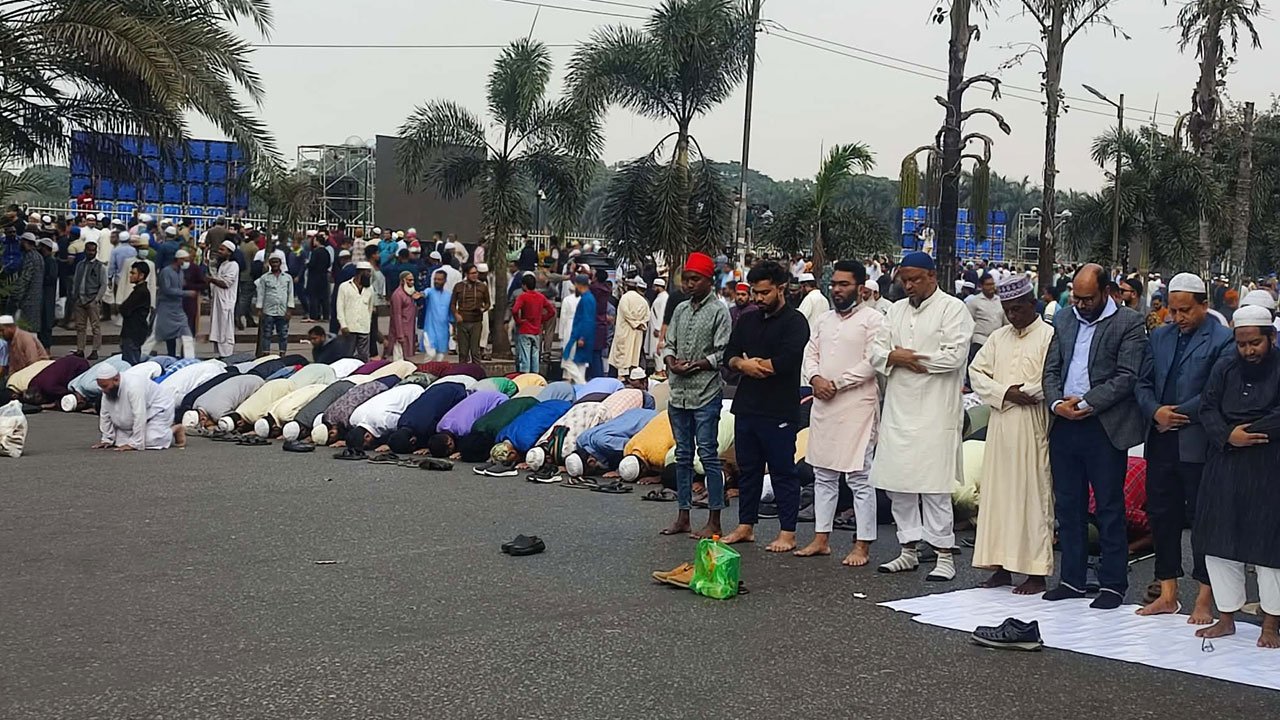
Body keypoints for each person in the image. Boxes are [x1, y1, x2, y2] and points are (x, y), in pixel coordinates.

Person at [1042, 263, 1149, 609]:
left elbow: (1127, 376)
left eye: (1088, 298)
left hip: (1104, 426)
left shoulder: (1128, 322)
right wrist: (1057, 403)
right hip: (1064, 423)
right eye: (1076, 297)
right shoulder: (1064, 318)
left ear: (1106, 292)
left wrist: (1087, 402)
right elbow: (1051, 369)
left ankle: (1112, 585)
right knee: (1068, 505)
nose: (1081, 304)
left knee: (1108, 507)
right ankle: (1071, 580)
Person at [1133, 272, 1234, 623]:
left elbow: (1215, 391)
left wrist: (1177, 414)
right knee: (1162, 516)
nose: (1178, 317)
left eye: (1185, 310)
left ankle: (1205, 598)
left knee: (1203, 521)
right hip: (1160, 439)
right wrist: (1154, 410)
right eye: (1173, 311)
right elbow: (1143, 382)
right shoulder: (1160, 336)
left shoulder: (1222, 339)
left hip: (1197, 443)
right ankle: (1167, 594)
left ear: (1204, 305)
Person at [870, 251, 975, 581]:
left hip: (936, 410)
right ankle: (908, 551)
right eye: (905, 280)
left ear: (932, 276)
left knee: (934, 486)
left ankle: (944, 555)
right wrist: (893, 356)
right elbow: (875, 352)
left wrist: (908, 358)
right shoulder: (895, 310)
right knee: (898, 483)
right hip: (898, 410)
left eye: (915, 279)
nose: (909, 285)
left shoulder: (953, 309)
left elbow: (954, 356)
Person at [1192, 305, 1280, 647]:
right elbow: (1207, 407)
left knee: (1270, 546)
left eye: (1255, 343)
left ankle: (1270, 624)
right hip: (1226, 461)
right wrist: (1229, 435)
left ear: (1270, 338)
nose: (1249, 351)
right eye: (1242, 344)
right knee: (1220, 542)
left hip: (1269, 463)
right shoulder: (1225, 366)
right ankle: (1226, 618)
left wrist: (1251, 432)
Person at [967, 276, 1056, 594]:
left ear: (1033, 304)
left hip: (1033, 425)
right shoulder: (998, 337)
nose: (1012, 315)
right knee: (998, 496)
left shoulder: (1049, 336)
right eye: (1007, 310)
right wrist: (1006, 393)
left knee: (1032, 496)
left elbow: (1051, 378)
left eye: (1018, 309)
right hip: (1001, 423)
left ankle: (1035, 573)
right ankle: (1000, 567)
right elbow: (976, 372)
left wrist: (1025, 393)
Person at [719, 261, 809, 552]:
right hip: (747, 406)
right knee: (748, 470)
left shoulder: (795, 322)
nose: (758, 298)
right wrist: (742, 364)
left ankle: (788, 532)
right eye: (755, 292)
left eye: (764, 293)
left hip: (779, 408)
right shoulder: (748, 319)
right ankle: (746, 525)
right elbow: (729, 355)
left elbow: (788, 360)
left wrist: (759, 366)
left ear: (781, 289)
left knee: (783, 472)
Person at [796, 260, 882, 565]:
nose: (837, 290)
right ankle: (821, 539)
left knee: (859, 477)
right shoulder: (823, 320)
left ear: (860, 288)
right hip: (824, 403)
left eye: (844, 284)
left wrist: (837, 383)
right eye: (834, 284)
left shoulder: (874, 320)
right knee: (823, 474)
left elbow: (873, 361)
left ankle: (862, 545)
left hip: (858, 405)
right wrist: (815, 379)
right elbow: (810, 353)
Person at [659, 252, 732, 539]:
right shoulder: (680, 309)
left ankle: (714, 520)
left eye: (695, 279)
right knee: (682, 455)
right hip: (678, 392)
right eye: (686, 279)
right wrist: (671, 362)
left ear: (709, 281)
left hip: (705, 392)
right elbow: (669, 344)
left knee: (708, 456)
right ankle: (683, 515)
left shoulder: (719, 311)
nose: (689, 284)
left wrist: (698, 365)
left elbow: (723, 352)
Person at [92, 364, 182, 451]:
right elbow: (105, 414)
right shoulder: (108, 389)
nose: (103, 390)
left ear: (116, 379)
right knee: (119, 441)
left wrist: (135, 444)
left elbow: (139, 415)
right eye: (101, 387)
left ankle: (174, 430)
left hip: (159, 409)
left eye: (105, 386)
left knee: (150, 440)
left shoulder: (134, 386)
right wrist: (107, 439)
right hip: (144, 410)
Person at [146, 249, 196, 359]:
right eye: (185, 260)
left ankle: (190, 360)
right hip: (165, 310)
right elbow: (167, 290)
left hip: (178, 310)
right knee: (156, 335)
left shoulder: (180, 272)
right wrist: (186, 293)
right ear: (178, 259)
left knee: (187, 336)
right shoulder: (166, 272)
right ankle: (141, 356)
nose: (187, 263)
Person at [70, 239, 108, 359]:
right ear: (85, 251)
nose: (91, 253)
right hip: (79, 300)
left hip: (92, 300)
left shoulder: (100, 266)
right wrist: (74, 296)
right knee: (80, 327)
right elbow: (76, 281)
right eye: (89, 250)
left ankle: (95, 350)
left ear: (96, 251)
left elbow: (103, 285)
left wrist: (97, 299)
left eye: (93, 251)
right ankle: (80, 350)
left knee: (95, 327)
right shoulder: (80, 265)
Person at [511, 273, 555, 374]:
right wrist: (542, 319)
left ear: (524, 285)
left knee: (525, 357)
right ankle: (535, 376)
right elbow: (551, 312)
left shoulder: (522, 297)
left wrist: (518, 321)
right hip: (536, 330)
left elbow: (514, 310)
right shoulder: (541, 297)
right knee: (535, 356)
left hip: (525, 329)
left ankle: (525, 377)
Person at [254, 251, 295, 356]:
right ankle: (266, 354)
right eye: (273, 262)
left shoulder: (287, 278)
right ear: (270, 263)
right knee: (267, 333)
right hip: (268, 310)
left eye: (277, 262)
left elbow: (290, 294)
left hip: (282, 310)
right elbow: (261, 294)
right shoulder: (265, 278)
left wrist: (289, 310)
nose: (275, 264)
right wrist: (259, 309)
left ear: (280, 263)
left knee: (283, 334)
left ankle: (282, 354)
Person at [608, 277, 649, 377]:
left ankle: (622, 378)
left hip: (624, 332)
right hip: (637, 332)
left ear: (626, 287)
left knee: (622, 359)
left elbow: (626, 313)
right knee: (633, 358)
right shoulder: (643, 301)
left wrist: (634, 323)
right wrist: (639, 323)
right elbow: (647, 316)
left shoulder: (624, 298)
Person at [337, 261, 377, 361]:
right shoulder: (344, 287)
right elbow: (340, 307)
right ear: (360, 273)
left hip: (364, 328)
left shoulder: (370, 289)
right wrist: (343, 325)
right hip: (350, 328)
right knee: (348, 355)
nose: (369, 275)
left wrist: (368, 322)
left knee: (364, 357)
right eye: (368, 272)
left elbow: (370, 308)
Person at [451, 263, 489, 364]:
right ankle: (463, 371)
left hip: (476, 321)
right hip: (462, 321)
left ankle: (476, 371)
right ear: (466, 274)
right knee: (463, 352)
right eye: (472, 273)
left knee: (475, 351)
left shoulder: (482, 287)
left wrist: (483, 309)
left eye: (476, 273)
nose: (475, 275)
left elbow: (488, 303)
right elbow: (452, 304)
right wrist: (456, 314)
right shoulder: (459, 286)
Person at [207, 240, 239, 359]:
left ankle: (226, 355)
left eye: (222, 249)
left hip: (226, 301)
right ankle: (221, 354)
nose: (219, 252)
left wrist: (211, 279)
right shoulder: (223, 264)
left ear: (229, 252)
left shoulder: (233, 265)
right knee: (218, 328)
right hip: (218, 301)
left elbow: (226, 283)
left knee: (225, 329)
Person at [965, 273, 1007, 363]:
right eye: (988, 285)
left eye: (992, 284)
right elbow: (967, 322)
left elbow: (1006, 322)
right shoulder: (974, 302)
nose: (991, 287)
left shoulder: (1000, 301)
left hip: (997, 342)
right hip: (980, 342)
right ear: (981, 286)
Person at [563, 275, 597, 385]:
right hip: (585, 334)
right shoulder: (589, 298)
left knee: (566, 361)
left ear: (578, 285)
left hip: (580, 334)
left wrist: (582, 337)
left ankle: (582, 383)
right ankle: (580, 386)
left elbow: (587, 319)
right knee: (581, 364)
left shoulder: (586, 299)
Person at [117, 261, 151, 364]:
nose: (130, 275)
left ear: (141, 276)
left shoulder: (141, 292)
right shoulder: (138, 290)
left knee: (130, 363)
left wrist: (123, 309)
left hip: (134, 331)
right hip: (132, 331)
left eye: (133, 273)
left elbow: (125, 308)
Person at [387, 271, 423, 362]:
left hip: (409, 329)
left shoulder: (410, 293)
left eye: (413, 280)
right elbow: (397, 315)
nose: (412, 282)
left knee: (406, 357)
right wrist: (400, 334)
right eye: (409, 280)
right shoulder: (398, 295)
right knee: (398, 358)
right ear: (403, 281)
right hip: (400, 331)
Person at [422, 269, 452, 362]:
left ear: (444, 281)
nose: (436, 281)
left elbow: (451, 314)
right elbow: (424, 294)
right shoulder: (430, 291)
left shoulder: (449, 295)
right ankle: (424, 369)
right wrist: (420, 295)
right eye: (435, 279)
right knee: (430, 354)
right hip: (430, 330)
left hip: (443, 331)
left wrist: (455, 329)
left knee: (440, 358)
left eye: (439, 279)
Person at [646, 278, 669, 358]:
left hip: (657, 328)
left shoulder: (664, 297)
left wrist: (658, 328)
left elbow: (663, 313)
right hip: (654, 326)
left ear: (658, 287)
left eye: (654, 287)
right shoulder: (660, 297)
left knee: (658, 352)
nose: (653, 289)